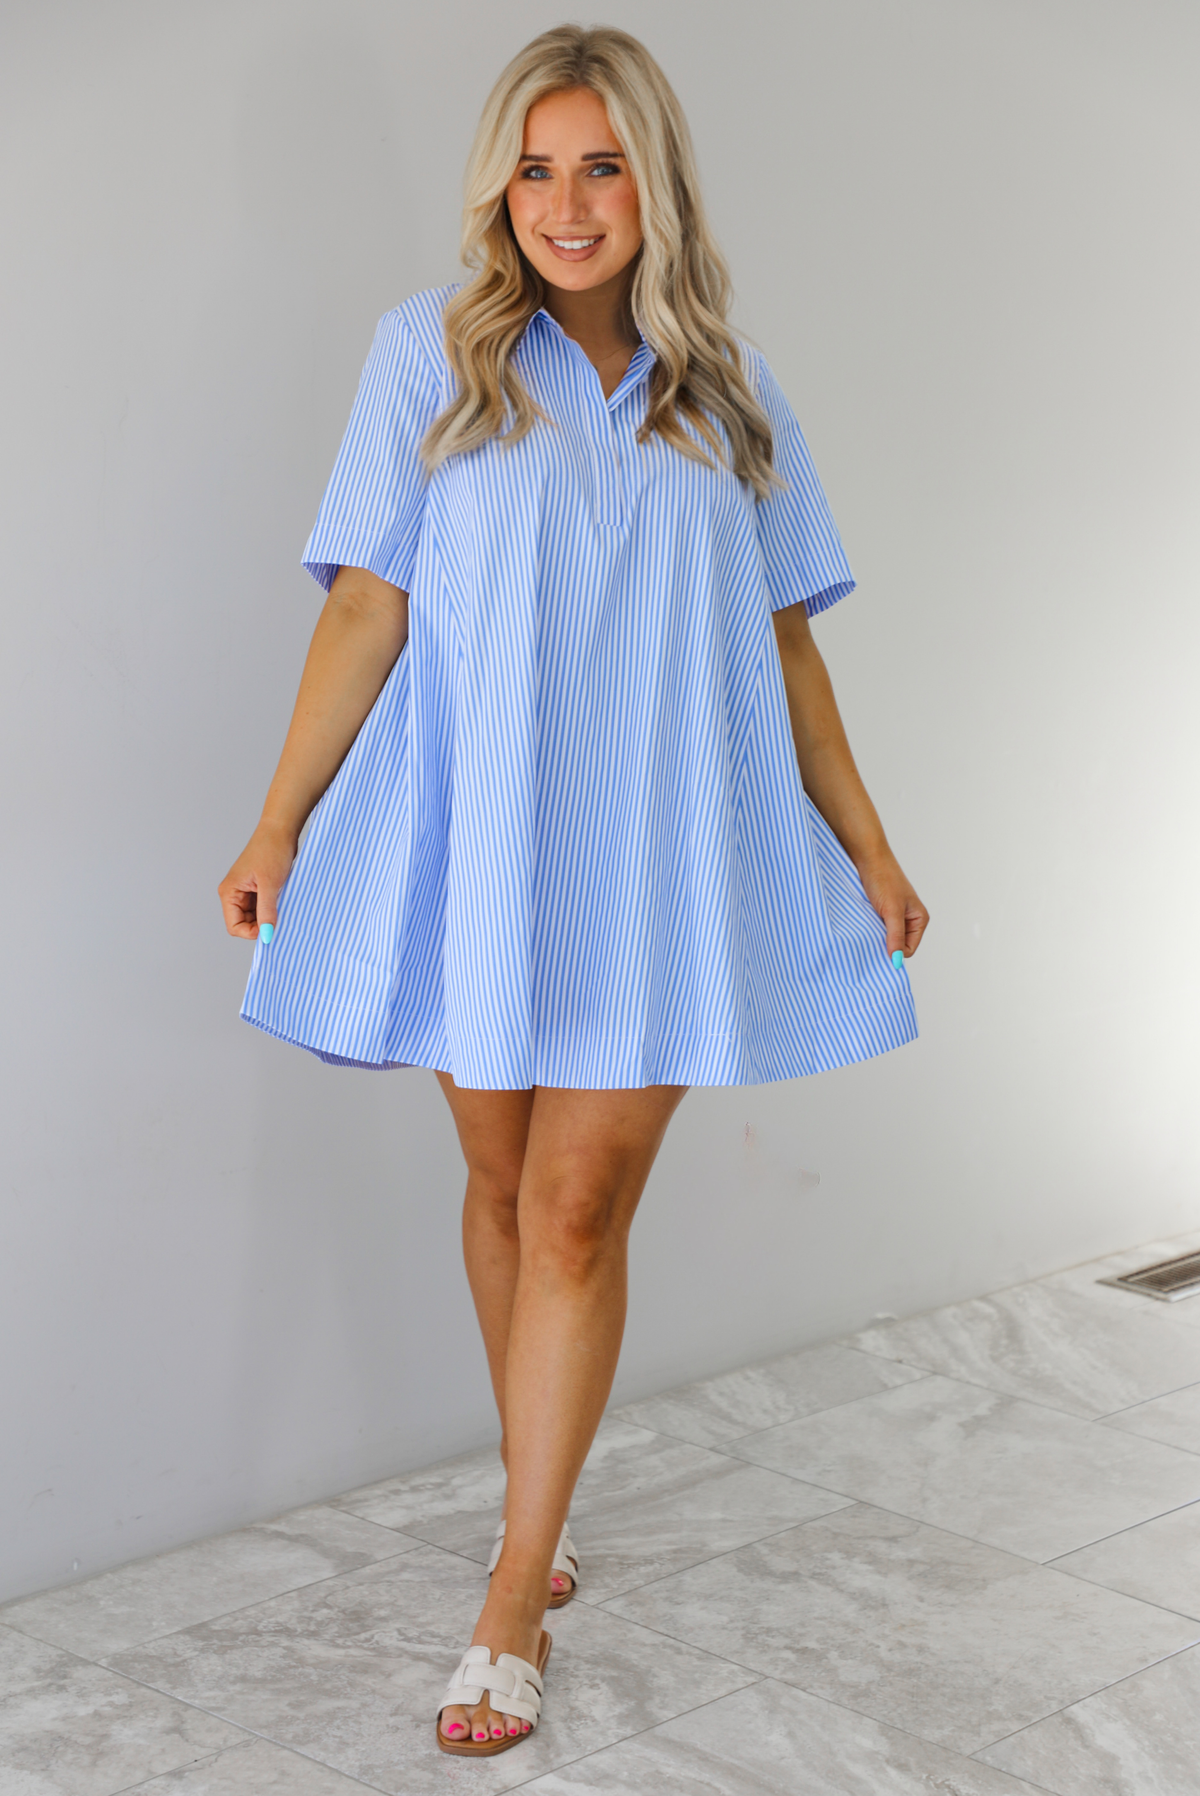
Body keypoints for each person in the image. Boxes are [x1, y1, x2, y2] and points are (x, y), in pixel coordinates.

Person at [218, 22, 928, 1759]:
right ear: (500, 190)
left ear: (654, 181)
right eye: (534, 168)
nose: (564, 200)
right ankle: (547, 1499)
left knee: (577, 1211)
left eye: (599, 163)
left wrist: (869, 842)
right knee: (497, 1177)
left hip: (664, 863)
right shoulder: (430, 359)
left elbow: (785, 650)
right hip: (482, 846)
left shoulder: (730, 394)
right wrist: (278, 821)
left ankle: (511, 1590)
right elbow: (365, 609)